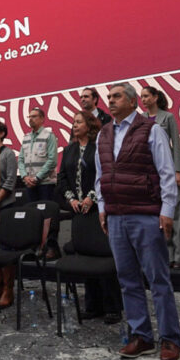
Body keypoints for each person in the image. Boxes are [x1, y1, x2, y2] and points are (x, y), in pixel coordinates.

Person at [95, 83, 180, 360]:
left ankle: (170, 339)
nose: (110, 100)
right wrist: (101, 207)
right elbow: (100, 175)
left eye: (116, 96)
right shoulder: (104, 134)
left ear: (133, 102)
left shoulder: (151, 128)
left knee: (158, 280)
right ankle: (141, 336)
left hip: (146, 215)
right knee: (128, 281)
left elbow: (166, 171)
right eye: (108, 97)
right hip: (116, 216)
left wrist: (167, 210)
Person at [58, 111, 122, 322]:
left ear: (89, 125)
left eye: (79, 122)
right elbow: (63, 178)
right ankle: (93, 305)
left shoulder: (99, 147)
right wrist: (71, 200)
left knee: (104, 256)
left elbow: (104, 173)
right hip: (78, 211)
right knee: (86, 256)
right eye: (73, 122)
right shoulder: (68, 150)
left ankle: (112, 306)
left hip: (98, 209)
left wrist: (91, 197)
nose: (75, 125)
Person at [141, 86, 180, 270]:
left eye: (146, 96)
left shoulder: (167, 117)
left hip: (168, 169)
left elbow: (176, 144)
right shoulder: (141, 120)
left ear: (155, 97)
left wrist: (178, 171)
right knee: (160, 215)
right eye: (141, 97)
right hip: (151, 172)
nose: (143, 100)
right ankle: (167, 255)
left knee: (176, 214)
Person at [0, 120, 18, 307]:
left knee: (6, 249)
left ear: (1, 133)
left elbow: (9, 181)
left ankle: (8, 290)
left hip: (4, 207)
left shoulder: (8, 154)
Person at [19, 107, 59, 203]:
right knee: (32, 214)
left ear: (42, 119)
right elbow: (20, 160)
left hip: (46, 183)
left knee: (46, 214)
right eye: (29, 117)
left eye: (34, 116)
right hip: (29, 183)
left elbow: (52, 160)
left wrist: (37, 178)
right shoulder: (26, 137)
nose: (30, 119)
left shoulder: (49, 135)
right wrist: (25, 176)